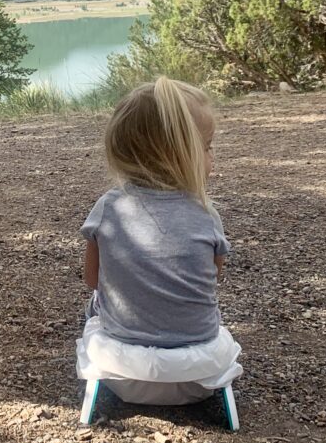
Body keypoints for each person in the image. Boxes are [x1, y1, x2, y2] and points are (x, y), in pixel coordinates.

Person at [75, 77, 242, 407]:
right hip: (200, 375)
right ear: (179, 156)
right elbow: (212, 278)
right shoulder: (206, 213)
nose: (213, 159)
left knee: (94, 307)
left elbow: (92, 279)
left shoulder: (109, 207)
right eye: (207, 147)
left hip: (121, 375)